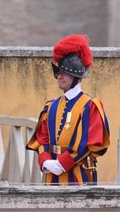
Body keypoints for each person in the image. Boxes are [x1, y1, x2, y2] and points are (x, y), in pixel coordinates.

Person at [27, 34, 111, 184]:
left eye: (65, 73)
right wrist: (46, 161)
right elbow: (42, 139)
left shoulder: (90, 105)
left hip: (79, 175)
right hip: (52, 176)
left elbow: (88, 143)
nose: (60, 76)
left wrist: (62, 164)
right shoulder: (51, 106)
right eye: (59, 72)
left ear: (76, 76)